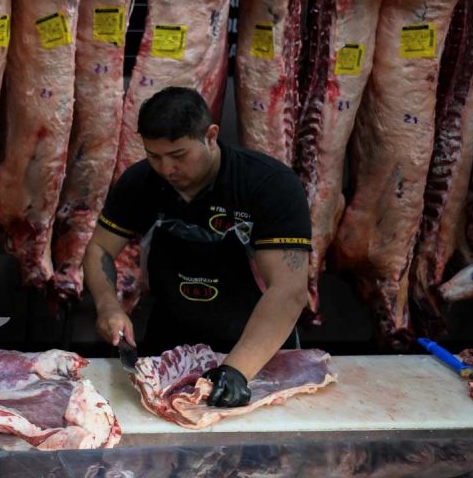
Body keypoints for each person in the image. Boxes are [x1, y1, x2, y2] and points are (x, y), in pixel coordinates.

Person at [83, 87, 311, 408]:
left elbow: (288, 291)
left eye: (178, 156)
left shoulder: (268, 184)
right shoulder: (141, 182)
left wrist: (236, 370)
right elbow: (99, 250)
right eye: (154, 155)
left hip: (259, 353)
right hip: (170, 350)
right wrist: (108, 306)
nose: (166, 169)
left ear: (211, 135)